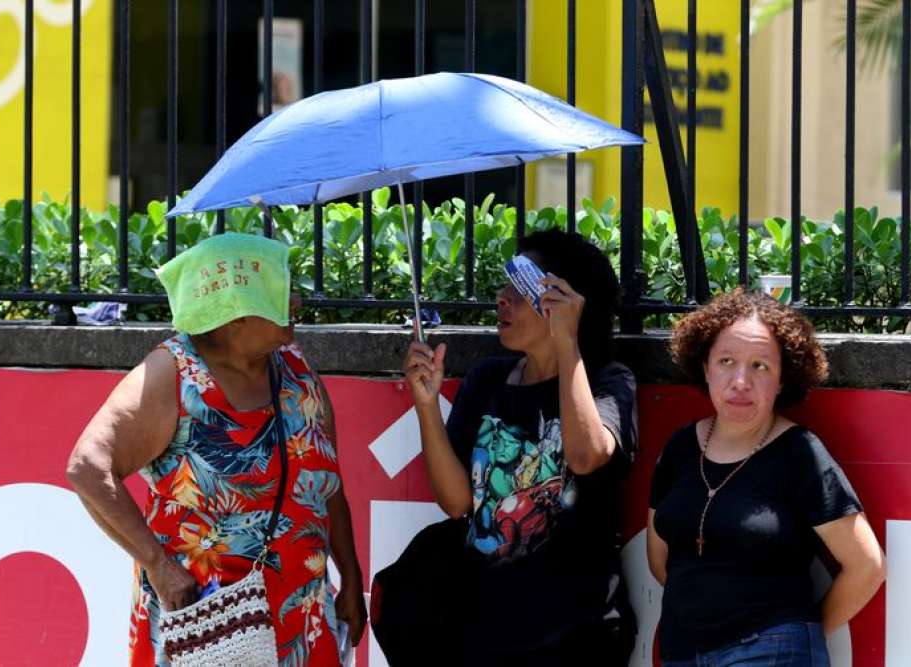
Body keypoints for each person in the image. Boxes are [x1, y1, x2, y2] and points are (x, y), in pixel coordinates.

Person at [66, 232, 366, 666]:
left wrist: (351, 579)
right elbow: (87, 468)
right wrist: (159, 566)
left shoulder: (297, 369)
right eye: (280, 292)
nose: (296, 302)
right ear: (235, 315)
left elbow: (327, 483)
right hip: (207, 626)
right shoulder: (173, 374)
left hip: (300, 616)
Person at [372, 228, 638, 666]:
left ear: (566, 301)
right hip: (483, 630)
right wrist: (426, 406)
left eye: (522, 287)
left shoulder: (609, 381)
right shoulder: (488, 379)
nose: (502, 298)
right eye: (505, 284)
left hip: (576, 634)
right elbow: (456, 502)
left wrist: (567, 342)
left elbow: (586, 456)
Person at [647, 288, 886, 665]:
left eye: (761, 366)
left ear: (782, 380)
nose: (740, 381)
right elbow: (661, 560)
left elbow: (867, 566)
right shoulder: (679, 448)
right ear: (705, 367)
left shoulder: (800, 453)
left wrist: (795, 634)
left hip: (770, 651)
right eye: (726, 361)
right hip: (683, 652)